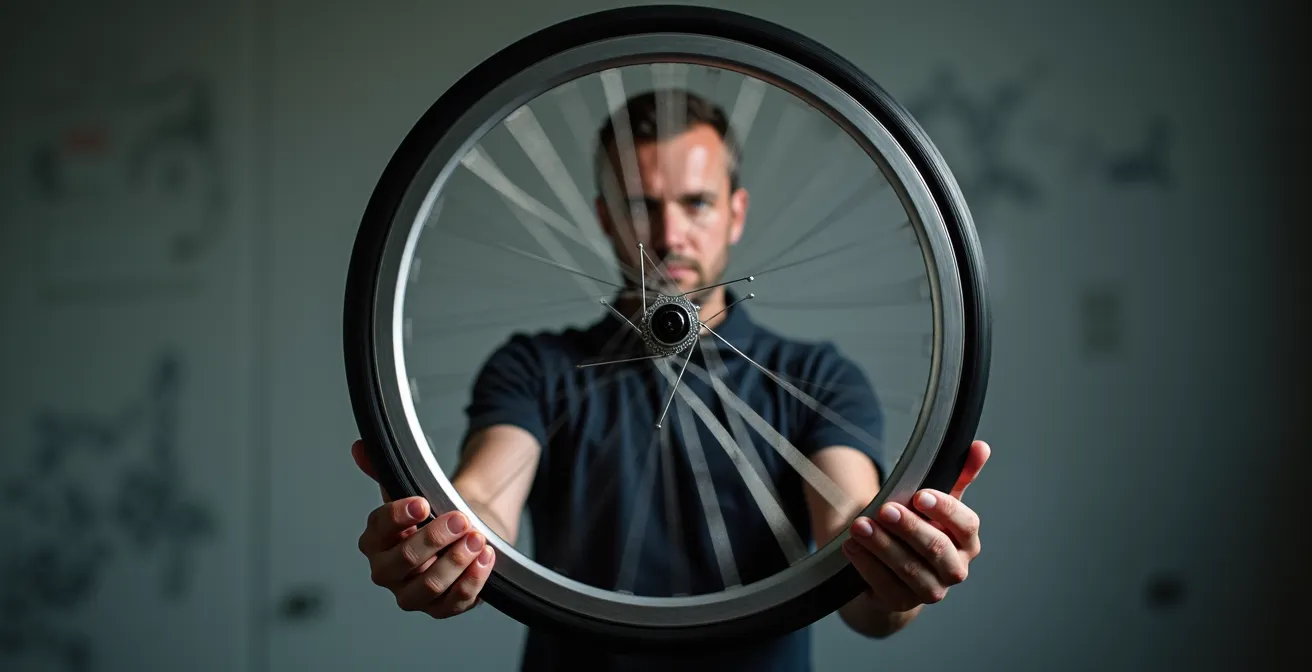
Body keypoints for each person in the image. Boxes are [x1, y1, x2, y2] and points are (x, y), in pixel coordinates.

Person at [351, 88, 991, 671]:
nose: (667, 234)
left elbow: (852, 543)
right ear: (604, 218)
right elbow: (486, 497)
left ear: (735, 213)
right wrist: (444, 542)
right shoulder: (536, 369)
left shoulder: (817, 377)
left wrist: (898, 567)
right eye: (640, 205)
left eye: (697, 203)